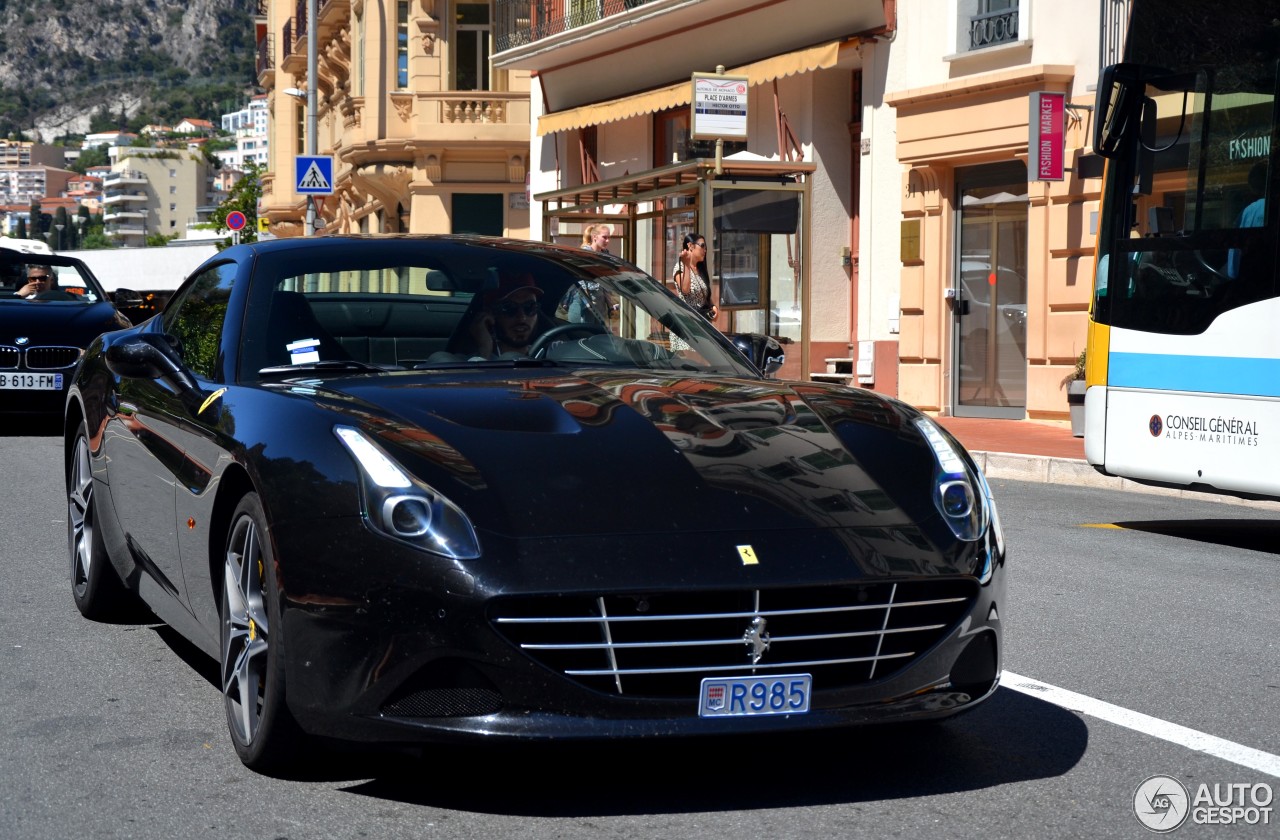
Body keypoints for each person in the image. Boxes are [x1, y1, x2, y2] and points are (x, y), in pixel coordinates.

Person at [463, 271, 547, 357]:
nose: (522, 318)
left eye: (530, 307)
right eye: (509, 308)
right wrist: (484, 351)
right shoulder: (463, 363)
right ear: (490, 314)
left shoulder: (551, 355)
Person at [672, 232, 717, 321]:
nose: (705, 250)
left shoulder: (700, 269)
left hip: (701, 324)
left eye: (706, 247)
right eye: (702, 246)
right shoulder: (680, 267)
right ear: (690, 246)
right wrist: (687, 264)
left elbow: (703, 294)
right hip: (687, 325)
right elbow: (685, 289)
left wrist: (713, 307)